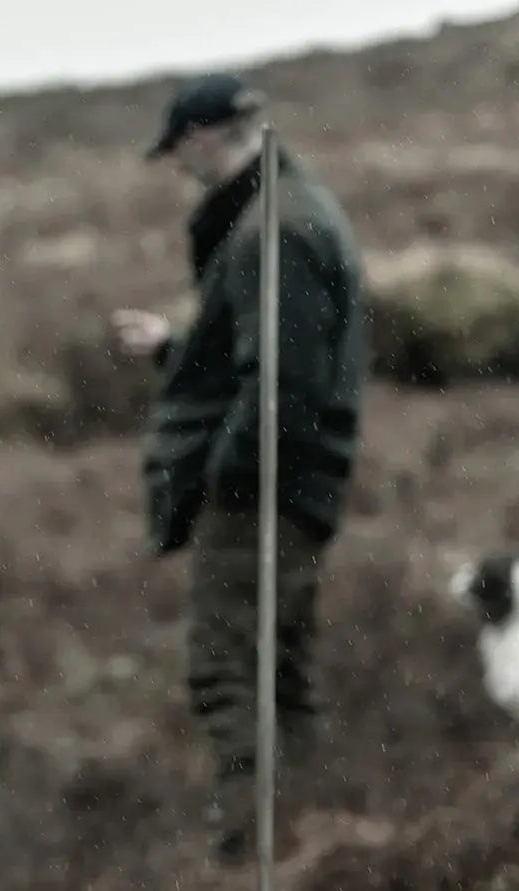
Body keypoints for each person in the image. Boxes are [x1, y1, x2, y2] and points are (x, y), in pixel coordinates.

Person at [111, 72, 367, 862]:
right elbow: (273, 366)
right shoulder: (292, 205)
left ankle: (251, 853)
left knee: (231, 672)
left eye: (176, 152)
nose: (178, 167)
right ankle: (315, 847)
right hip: (293, 481)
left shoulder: (272, 230)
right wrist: (178, 352)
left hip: (263, 493)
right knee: (279, 674)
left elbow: (282, 386)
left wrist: (226, 478)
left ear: (197, 138)